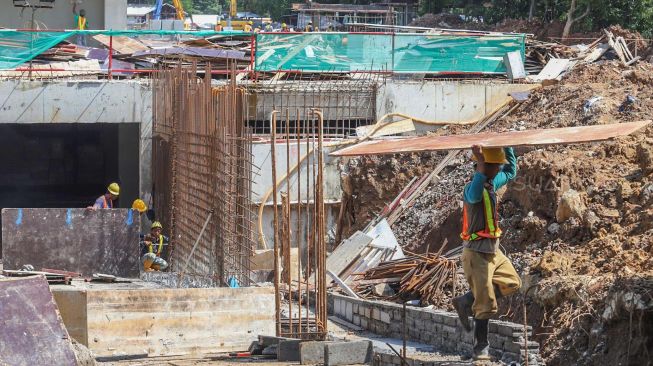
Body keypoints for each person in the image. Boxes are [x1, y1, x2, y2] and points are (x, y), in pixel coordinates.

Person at [452, 145, 521, 361]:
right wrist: (481, 162)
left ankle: (465, 301)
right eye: (496, 165)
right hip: (476, 254)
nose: (500, 168)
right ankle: (480, 348)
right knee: (486, 304)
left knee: (512, 282)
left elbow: (511, 172)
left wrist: (508, 148)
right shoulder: (471, 189)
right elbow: (473, 197)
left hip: (493, 251)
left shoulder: (491, 183)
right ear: (486, 167)